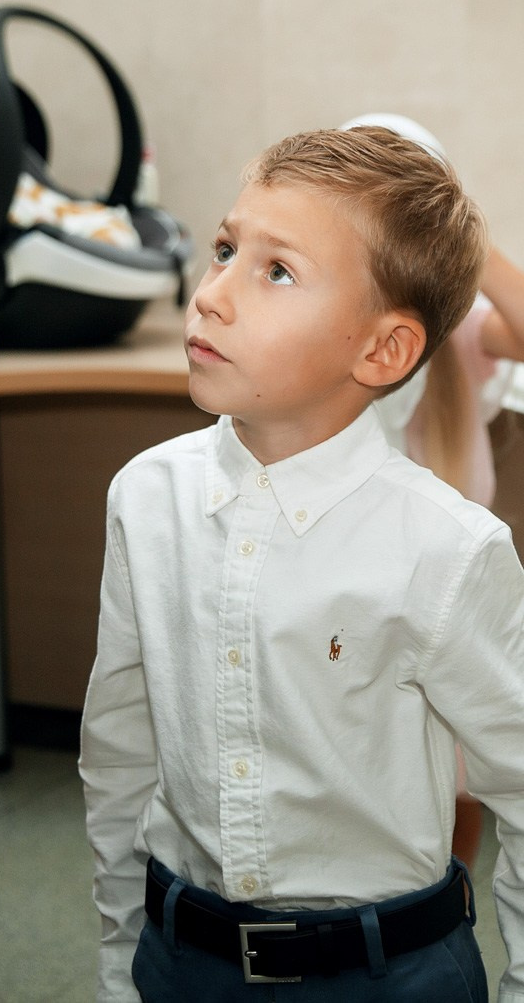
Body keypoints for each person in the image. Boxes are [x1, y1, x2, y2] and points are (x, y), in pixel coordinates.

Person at [80, 125, 524, 1002]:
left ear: (382, 351)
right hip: (183, 959)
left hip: (388, 973)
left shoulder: (445, 546)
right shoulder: (146, 496)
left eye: (275, 271)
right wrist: (119, 959)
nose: (211, 295)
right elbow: (120, 748)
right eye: (223, 250)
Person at [344, 115, 524, 871]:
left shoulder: (461, 338)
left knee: (453, 805)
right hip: (352, 621)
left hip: (449, 622)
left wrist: (454, 233)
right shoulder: (337, 330)